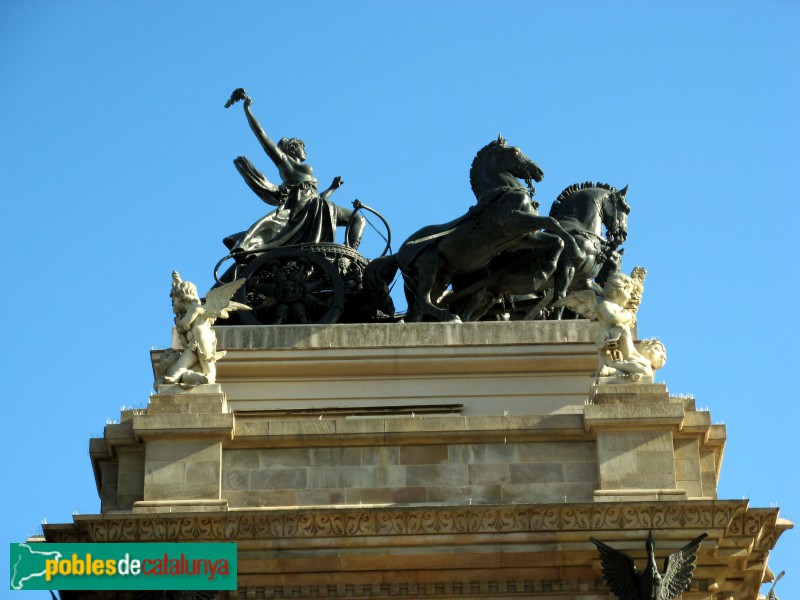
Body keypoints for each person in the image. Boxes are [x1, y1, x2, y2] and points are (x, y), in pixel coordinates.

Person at [224, 89, 365, 257]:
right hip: (300, 210)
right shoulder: (284, 161)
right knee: (356, 219)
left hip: (316, 206)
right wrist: (247, 109)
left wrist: (332, 188)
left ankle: (349, 252)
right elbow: (261, 134)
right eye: (301, 146)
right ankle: (347, 254)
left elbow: (314, 197)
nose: (304, 149)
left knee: (358, 219)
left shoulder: (305, 181)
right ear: (292, 148)